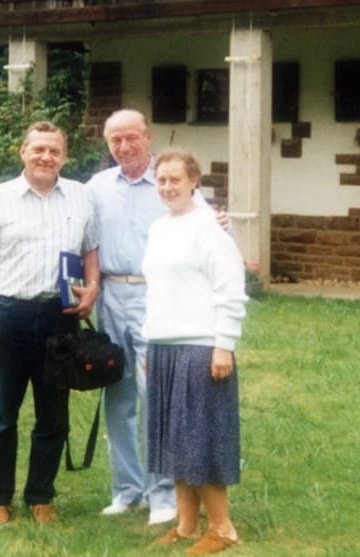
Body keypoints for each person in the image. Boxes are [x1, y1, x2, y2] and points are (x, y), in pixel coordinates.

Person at [87, 110, 222, 526]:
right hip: (110, 295)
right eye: (115, 140)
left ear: (147, 137)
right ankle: (126, 490)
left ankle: (163, 493)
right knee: (117, 393)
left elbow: (207, 228)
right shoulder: (97, 187)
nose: (124, 146)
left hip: (156, 297)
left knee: (156, 395)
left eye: (132, 137)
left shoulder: (168, 182)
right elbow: (83, 239)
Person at [0, 121, 101, 526]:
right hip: (10, 315)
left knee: (53, 415)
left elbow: (90, 250)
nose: (46, 157)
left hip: (61, 318)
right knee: (1, 412)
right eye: (38, 149)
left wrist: (92, 288)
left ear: (64, 156)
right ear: (22, 152)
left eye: (54, 151)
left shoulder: (80, 196)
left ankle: (41, 496)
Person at [142, 150, 247, 555]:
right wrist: (152, 341)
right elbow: (158, 291)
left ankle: (223, 528)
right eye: (161, 180)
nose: (167, 187)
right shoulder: (158, 228)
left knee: (200, 438)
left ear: (194, 182)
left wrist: (224, 345)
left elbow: (231, 290)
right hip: (164, 347)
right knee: (173, 439)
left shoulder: (209, 229)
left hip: (202, 346)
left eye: (175, 179)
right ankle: (187, 525)